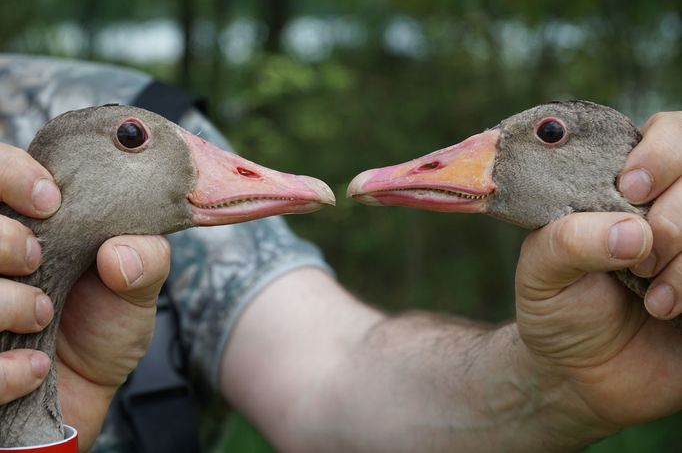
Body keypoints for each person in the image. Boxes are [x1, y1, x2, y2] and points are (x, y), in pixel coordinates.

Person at [1, 54, 682, 452]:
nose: (235, 169)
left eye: (551, 133)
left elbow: (329, 374)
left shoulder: (71, 95)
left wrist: (558, 382)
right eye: (131, 138)